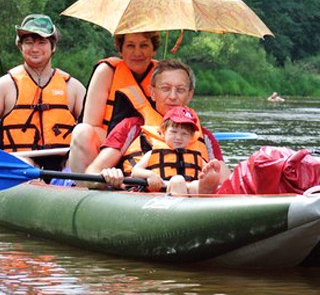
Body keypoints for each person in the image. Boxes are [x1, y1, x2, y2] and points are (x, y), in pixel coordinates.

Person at [83, 59, 229, 189]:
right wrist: (108, 176)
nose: (172, 96)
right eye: (165, 88)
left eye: (180, 90)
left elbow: (228, 182)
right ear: (152, 92)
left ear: (189, 95)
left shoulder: (205, 136)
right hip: (140, 198)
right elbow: (92, 174)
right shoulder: (131, 127)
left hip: (189, 197)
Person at [0, 14, 86, 171]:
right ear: (20, 45)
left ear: (53, 46)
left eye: (41, 42)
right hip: (18, 163)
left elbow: (91, 128)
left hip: (63, 165)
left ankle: (66, 185)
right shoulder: (3, 86)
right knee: (25, 165)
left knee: (74, 164)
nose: (35, 49)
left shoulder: (73, 88)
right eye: (28, 43)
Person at [66, 32, 161, 173]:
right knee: (82, 131)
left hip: (145, 149)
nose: (137, 52)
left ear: (154, 49)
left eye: (144, 45)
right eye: (130, 46)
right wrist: (119, 145)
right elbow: (92, 124)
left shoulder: (162, 75)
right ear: (120, 49)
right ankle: (85, 185)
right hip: (107, 145)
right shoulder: (106, 71)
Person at [130, 106, 223, 195]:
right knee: (178, 180)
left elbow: (206, 171)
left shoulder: (197, 157)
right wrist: (150, 175)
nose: (178, 137)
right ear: (163, 132)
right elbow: (135, 171)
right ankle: (189, 197)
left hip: (189, 189)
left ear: (191, 137)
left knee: (195, 185)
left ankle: (205, 189)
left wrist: (209, 177)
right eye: (173, 132)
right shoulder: (152, 153)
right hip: (163, 189)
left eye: (184, 134)